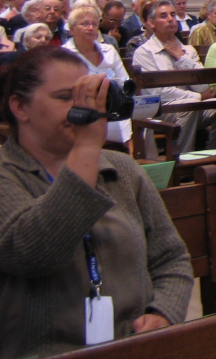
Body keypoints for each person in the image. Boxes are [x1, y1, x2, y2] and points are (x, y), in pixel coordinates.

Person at [0, 47, 193, 357]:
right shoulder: (7, 175)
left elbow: (171, 257)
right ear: (20, 107)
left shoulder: (123, 169)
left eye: (88, 97)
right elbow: (36, 253)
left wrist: (163, 312)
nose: (83, 108)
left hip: (135, 346)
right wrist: (87, 145)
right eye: (66, 97)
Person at [133, 0, 216, 154]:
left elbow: (204, 85)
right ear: (152, 23)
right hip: (162, 111)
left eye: (173, 15)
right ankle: (183, 160)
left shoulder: (188, 50)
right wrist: (198, 96)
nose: (170, 19)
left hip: (193, 107)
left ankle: (215, 154)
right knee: (189, 106)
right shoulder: (144, 52)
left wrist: (181, 57)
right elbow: (158, 93)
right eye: (163, 16)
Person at [62, 5, 133, 147]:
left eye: (94, 24)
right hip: (82, 109)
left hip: (113, 106)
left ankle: (131, 158)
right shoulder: (64, 54)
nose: (90, 28)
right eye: (85, 24)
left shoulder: (109, 50)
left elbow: (125, 82)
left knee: (127, 117)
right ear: (72, 29)